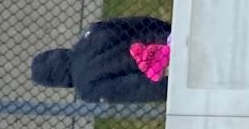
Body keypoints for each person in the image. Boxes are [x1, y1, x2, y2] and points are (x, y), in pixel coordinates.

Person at [28, 14, 173, 104]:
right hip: (168, 39)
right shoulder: (92, 33)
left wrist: (171, 87)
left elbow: (133, 89)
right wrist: (168, 32)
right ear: (58, 52)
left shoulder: (86, 89)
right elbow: (140, 22)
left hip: (165, 71)